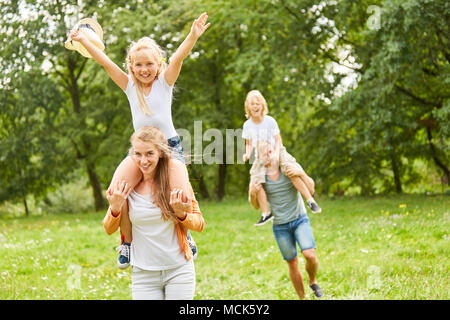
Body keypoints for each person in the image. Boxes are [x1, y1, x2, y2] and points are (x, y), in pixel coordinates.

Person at [69, 12, 210, 267]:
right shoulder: (129, 86)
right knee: (118, 189)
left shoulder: (165, 83)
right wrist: (85, 41)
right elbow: (105, 62)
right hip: (141, 150)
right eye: (138, 65)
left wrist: (192, 35)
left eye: (149, 64)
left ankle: (186, 236)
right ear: (131, 66)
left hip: (169, 147)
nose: (144, 70)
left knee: (180, 193)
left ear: (158, 64)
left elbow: (179, 57)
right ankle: (126, 243)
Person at [103, 126, 205, 300]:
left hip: (178, 270)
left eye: (149, 153)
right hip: (144, 275)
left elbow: (199, 224)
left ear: (160, 153)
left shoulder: (175, 184)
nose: (143, 160)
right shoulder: (127, 188)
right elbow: (108, 228)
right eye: (138, 154)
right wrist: (115, 208)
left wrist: (182, 215)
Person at [249, 140, 323, 299]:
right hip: (280, 226)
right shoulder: (260, 175)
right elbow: (255, 205)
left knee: (310, 255)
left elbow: (311, 188)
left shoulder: (287, 165)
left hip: (299, 219)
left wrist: (301, 173)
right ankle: (302, 297)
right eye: (265, 154)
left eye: (271, 151)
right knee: (292, 263)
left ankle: (312, 281)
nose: (269, 156)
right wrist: (253, 193)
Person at [242, 90, 321, 226]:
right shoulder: (247, 125)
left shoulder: (269, 121)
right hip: (261, 156)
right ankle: (266, 213)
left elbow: (278, 140)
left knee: (290, 170)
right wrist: (247, 154)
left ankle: (310, 200)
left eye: (257, 103)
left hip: (277, 150)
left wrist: (277, 154)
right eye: (252, 104)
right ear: (248, 107)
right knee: (256, 180)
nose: (255, 106)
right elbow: (248, 144)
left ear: (262, 105)